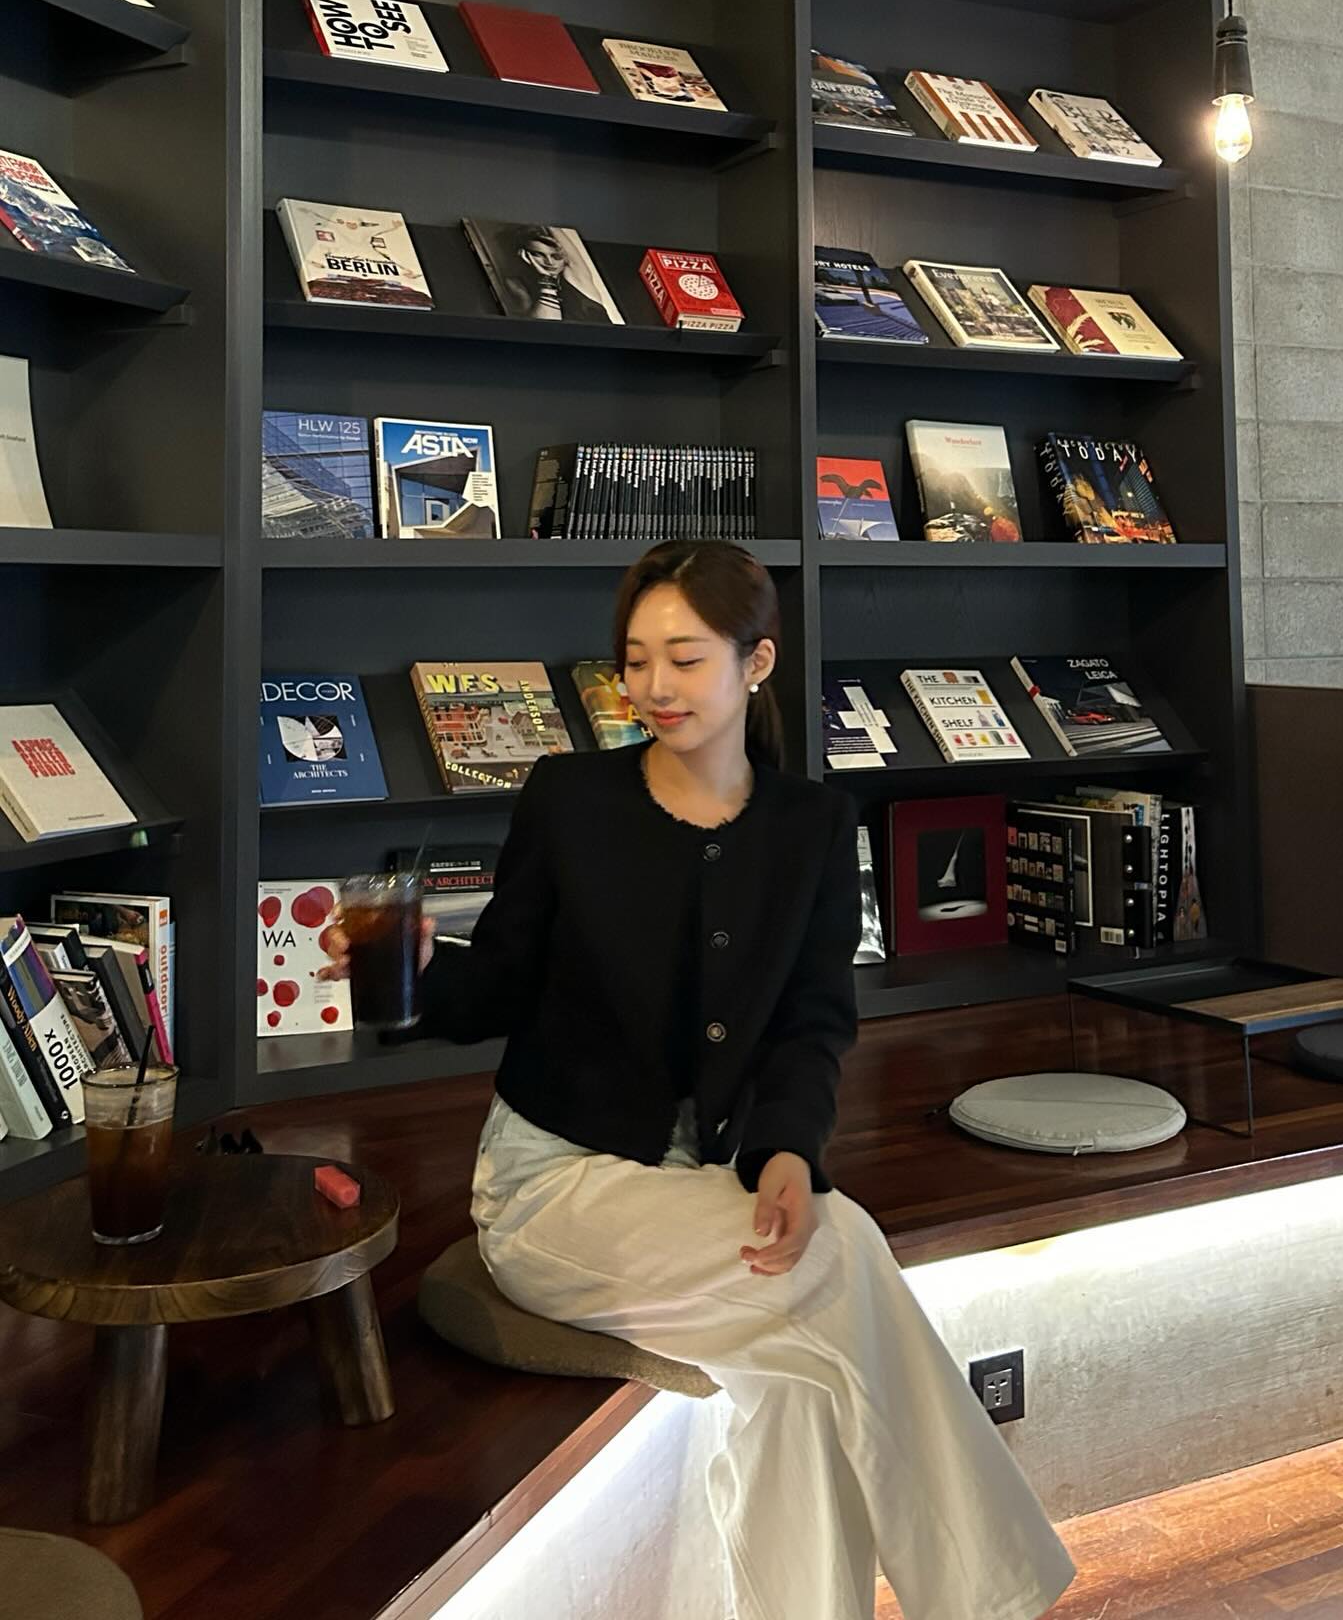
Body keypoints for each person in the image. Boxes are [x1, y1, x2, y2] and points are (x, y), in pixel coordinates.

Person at [321, 540, 1077, 1620]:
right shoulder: (570, 797)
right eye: (636, 660)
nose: (653, 686)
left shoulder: (810, 826)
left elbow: (813, 1022)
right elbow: (498, 990)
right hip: (555, 1188)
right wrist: (411, 970)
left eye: (684, 658)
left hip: (706, 1184)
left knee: (802, 1387)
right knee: (844, 1247)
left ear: (756, 662)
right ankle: (999, 1600)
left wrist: (788, 1151)